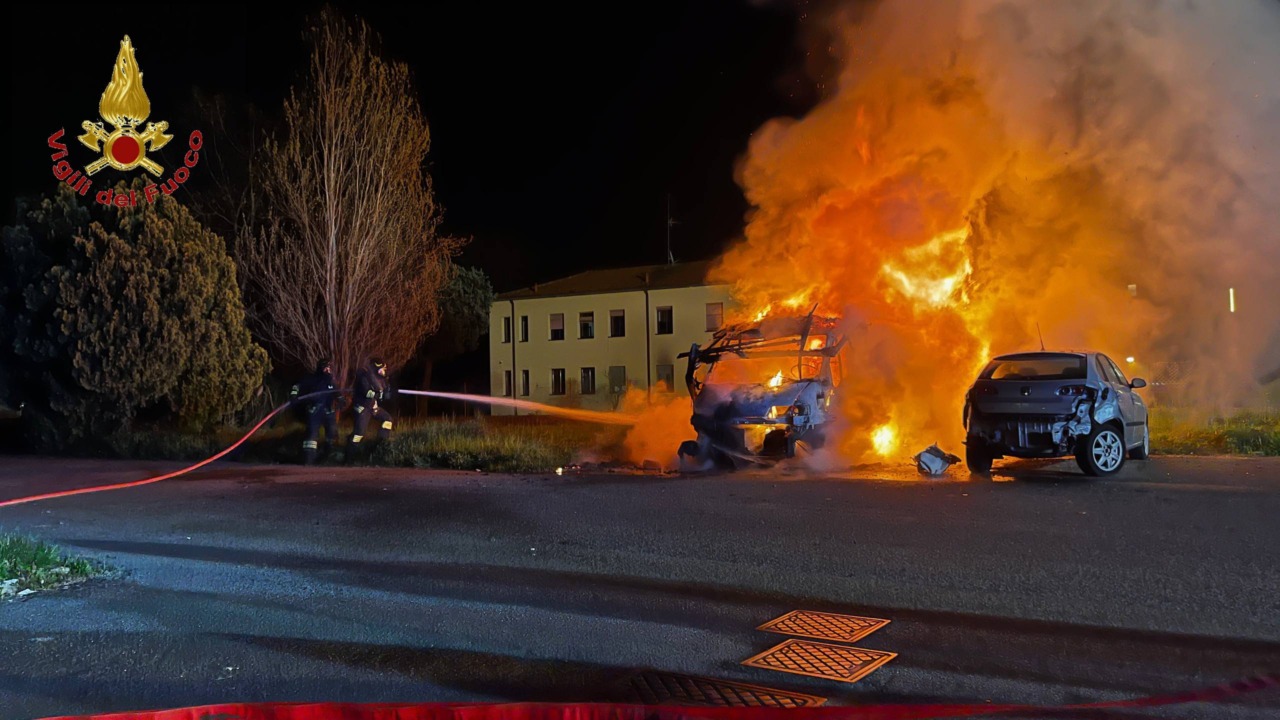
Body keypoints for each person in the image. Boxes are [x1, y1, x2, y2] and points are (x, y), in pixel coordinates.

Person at [290, 358, 340, 465]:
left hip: (328, 411)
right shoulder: (311, 379)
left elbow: (336, 393)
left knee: (332, 434)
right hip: (315, 410)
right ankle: (309, 460)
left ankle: (327, 458)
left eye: (329, 368)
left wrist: (341, 399)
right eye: (326, 367)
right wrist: (294, 395)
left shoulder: (331, 382)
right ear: (321, 368)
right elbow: (297, 386)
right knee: (312, 436)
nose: (328, 370)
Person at [348, 357, 393, 461]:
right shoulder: (364, 376)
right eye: (383, 368)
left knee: (387, 419)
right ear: (376, 368)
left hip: (373, 407)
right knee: (359, 433)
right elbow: (367, 393)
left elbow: (382, 393)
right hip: (363, 408)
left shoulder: (380, 379)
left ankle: (381, 444)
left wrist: (387, 394)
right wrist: (379, 395)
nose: (384, 371)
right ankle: (349, 458)